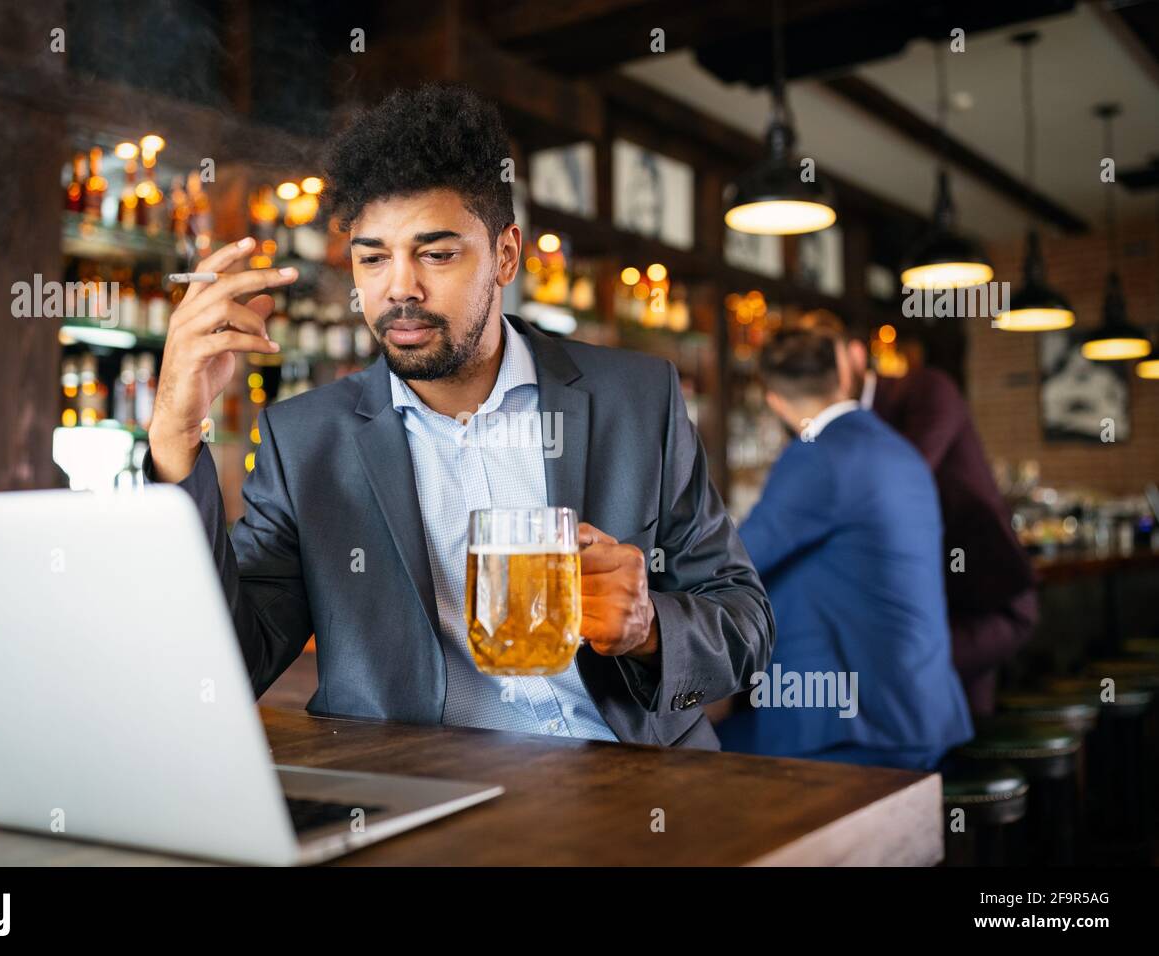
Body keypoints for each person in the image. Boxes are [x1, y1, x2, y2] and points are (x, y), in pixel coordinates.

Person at [144, 85, 774, 750]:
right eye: (373, 257)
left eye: (437, 253)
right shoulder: (306, 441)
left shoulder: (636, 399)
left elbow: (747, 625)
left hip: (631, 784)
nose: (400, 287)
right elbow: (220, 666)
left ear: (505, 254)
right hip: (423, 793)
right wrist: (176, 437)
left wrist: (649, 630)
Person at [716, 325, 972, 770]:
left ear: (774, 400)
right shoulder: (897, 448)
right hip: (920, 708)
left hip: (860, 727)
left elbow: (732, 562)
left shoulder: (816, 454)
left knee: (694, 761)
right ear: (843, 374)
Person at [842, 324, 1038, 717]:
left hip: (990, 601)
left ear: (855, 355)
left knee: (901, 690)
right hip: (936, 604)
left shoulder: (927, 389)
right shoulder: (840, 426)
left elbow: (902, 487)